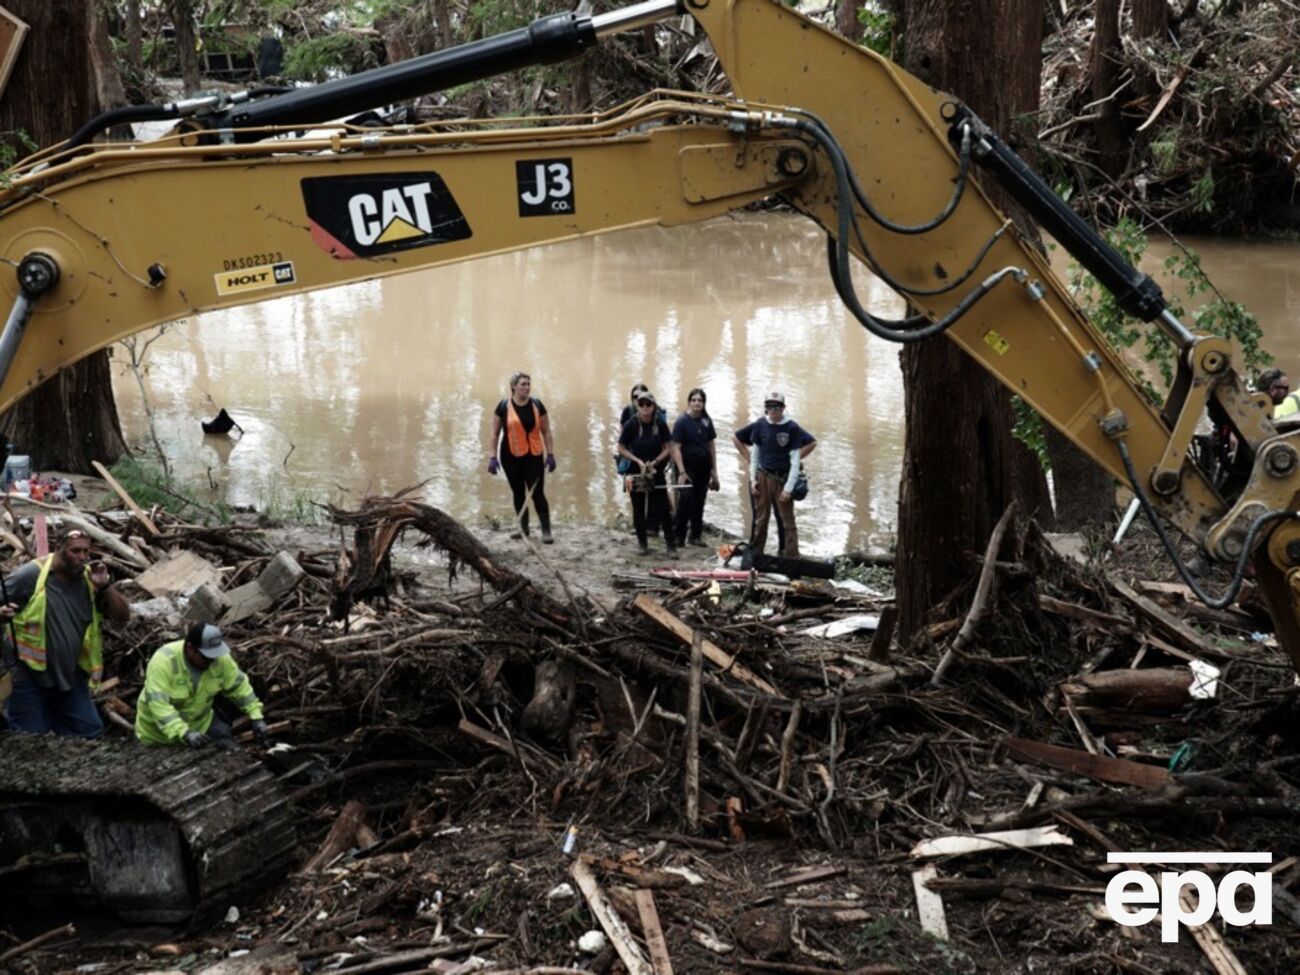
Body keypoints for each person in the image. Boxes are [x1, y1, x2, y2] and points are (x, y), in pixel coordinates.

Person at [1, 527, 131, 737]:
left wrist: (106, 586)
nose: (81, 557)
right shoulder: (31, 575)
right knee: (30, 738)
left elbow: (123, 617)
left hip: (70, 676)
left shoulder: (90, 581)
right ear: (59, 548)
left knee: (90, 731)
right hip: (27, 675)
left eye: (85, 552)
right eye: (75, 551)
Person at [136, 622, 268, 747]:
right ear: (190, 648)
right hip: (158, 736)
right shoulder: (164, 661)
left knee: (227, 745)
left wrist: (256, 716)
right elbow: (159, 705)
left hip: (200, 724)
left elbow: (239, 687)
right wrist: (184, 733)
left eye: (214, 657)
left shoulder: (220, 659)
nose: (211, 661)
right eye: (206, 657)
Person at [734, 391, 816, 557]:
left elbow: (795, 461)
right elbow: (755, 454)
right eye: (769, 406)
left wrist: (789, 487)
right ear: (765, 408)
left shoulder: (791, 427)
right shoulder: (760, 425)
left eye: (777, 407)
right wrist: (753, 479)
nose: (773, 410)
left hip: (782, 478)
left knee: (788, 522)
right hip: (762, 476)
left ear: (783, 408)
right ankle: (757, 556)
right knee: (761, 519)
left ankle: (792, 558)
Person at [487, 371, 557, 543]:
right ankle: (523, 529)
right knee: (518, 493)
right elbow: (494, 434)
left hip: (533, 456)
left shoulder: (537, 404)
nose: (527, 387)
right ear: (514, 387)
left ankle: (546, 530)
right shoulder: (503, 406)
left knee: (537, 494)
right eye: (523, 384)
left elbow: (546, 431)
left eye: (528, 384)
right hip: (510, 456)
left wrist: (550, 454)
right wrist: (492, 457)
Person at [618, 391, 678, 558]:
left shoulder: (660, 424)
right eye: (641, 404)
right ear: (637, 405)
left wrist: (656, 462)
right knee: (638, 508)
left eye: (648, 404)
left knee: (663, 508)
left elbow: (669, 447)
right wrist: (636, 461)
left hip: (655, 470)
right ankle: (642, 543)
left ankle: (670, 546)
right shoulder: (632, 424)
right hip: (636, 470)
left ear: (654, 406)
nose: (645, 407)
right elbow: (620, 447)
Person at [671, 388, 720, 547]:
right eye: (694, 400)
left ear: (704, 403)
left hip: (704, 465)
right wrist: (681, 471)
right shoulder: (681, 422)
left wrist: (714, 471)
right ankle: (679, 535)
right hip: (686, 465)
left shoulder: (706, 420)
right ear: (689, 402)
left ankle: (695, 536)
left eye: (700, 400)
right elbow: (676, 447)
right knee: (685, 498)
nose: (696, 403)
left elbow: (711, 445)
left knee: (699, 500)